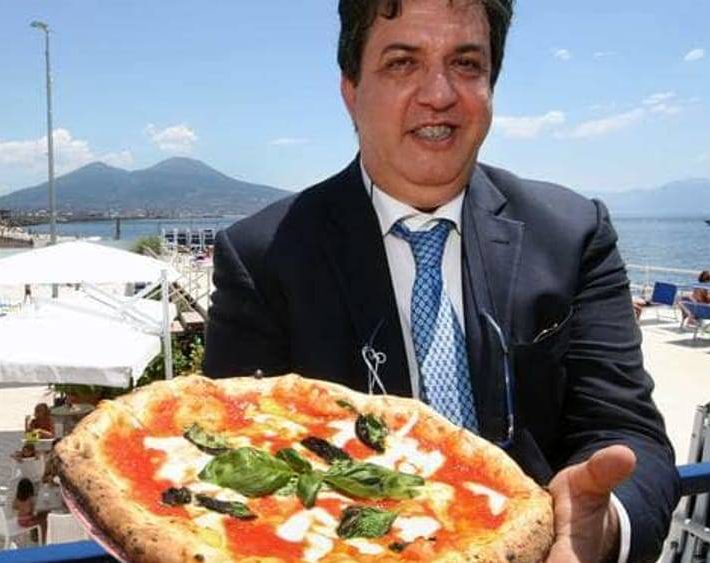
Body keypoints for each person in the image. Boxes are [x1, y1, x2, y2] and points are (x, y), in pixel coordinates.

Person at [204, 2, 678, 562]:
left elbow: (627, 432)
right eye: (402, 62)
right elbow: (240, 463)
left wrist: (602, 527)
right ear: (351, 90)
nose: (439, 94)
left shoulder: (573, 234)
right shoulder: (263, 259)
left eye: (466, 64)